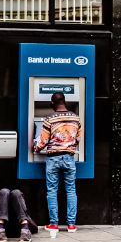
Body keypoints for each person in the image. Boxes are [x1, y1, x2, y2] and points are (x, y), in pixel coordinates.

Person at [34, 91, 81, 233]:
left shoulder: (49, 119)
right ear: (65, 101)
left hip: (53, 158)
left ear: (52, 103)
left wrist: (35, 147)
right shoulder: (75, 118)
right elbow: (77, 140)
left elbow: (42, 141)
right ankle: (71, 224)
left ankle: (54, 224)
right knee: (71, 190)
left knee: (52, 191)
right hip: (69, 157)